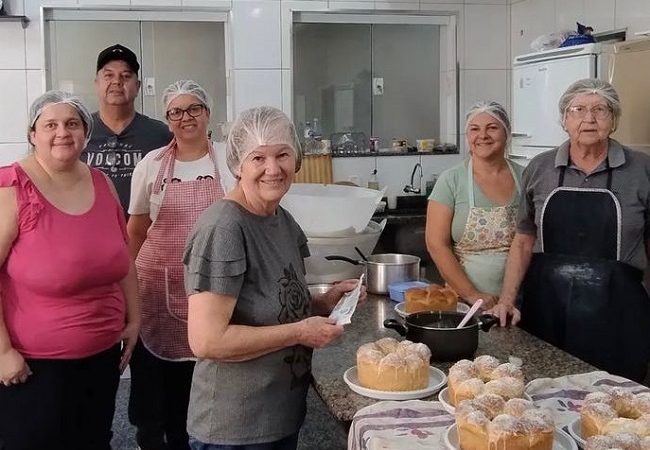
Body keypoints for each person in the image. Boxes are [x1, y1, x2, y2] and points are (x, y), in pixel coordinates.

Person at [183, 106, 366, 450]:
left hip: (278, 416)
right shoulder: (223, 228)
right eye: (258, 158)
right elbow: (207, 341)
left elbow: (273, 305)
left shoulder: (282, 220)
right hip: (234, 429)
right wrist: (300, 331)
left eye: (283, 154)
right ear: (237, 164)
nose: (273, 168)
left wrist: (322, 303)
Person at [0, 91, 140, 450]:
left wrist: (135, 319)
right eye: (51, 124)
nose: (62, 132)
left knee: (93, 441)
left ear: (85, 133)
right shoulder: (12, 188)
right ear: (33, 134)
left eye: (72, 123)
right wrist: (2, 352)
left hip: (101, 355)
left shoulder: (101, 182)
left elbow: (122, 258)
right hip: (33, 366)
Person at [493, 79, 650, 382]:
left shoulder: (641, 170)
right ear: (564, 120)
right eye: (578, 110)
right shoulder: (540, 169)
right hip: (547, 311)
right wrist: (507, 299)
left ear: (613, 120)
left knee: (616, 408)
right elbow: (524, 239)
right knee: (545, 397)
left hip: (618, 314)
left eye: (600, 110)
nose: (589, 119)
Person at [126, 80, 226, 450]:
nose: (186, 118)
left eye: (194, 109)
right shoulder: (151, 164)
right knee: (155, 385)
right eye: (176, 111)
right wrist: (126, 290)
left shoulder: (229, 162)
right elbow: (136, 230)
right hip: (155, 287)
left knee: (203, 380)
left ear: (207, 113)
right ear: (167, 119)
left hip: (213, 287)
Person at [426, 101, 524, 309]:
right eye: (475, 129)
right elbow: (436, 244)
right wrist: (472, 294)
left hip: (521, 299)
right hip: (465, 302)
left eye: (492, 128)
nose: (483, 135)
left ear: (506, 133)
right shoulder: (451, 180)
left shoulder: (526, 177)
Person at [83, 44, 172, 213]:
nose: (117, 81)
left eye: (125, 75)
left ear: (138, 86)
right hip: (90, 234)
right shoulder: (78, 133)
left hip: (145, 235)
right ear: (96, 84)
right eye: (108, 75)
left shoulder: (161, 135)